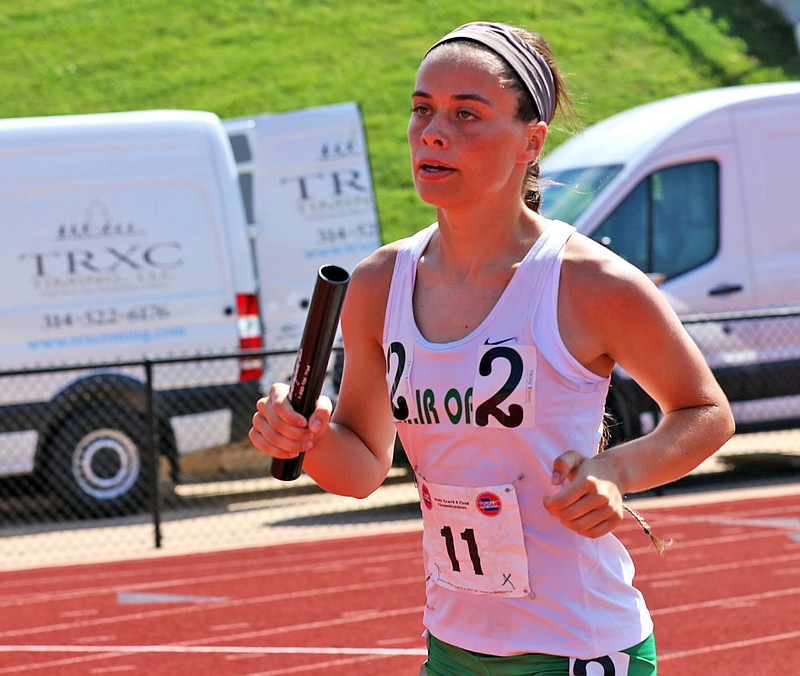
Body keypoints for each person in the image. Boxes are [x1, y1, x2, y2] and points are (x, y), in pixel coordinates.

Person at [250, 20, 735, 675]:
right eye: (422, 110)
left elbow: (706, 411)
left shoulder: (588, 283)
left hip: (577, 647)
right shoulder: (376, 284)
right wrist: (300, 435)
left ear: (530, 142)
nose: (434, 132)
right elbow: (362, 465)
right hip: (452, 648)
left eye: (467, 115)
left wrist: (617, 471)